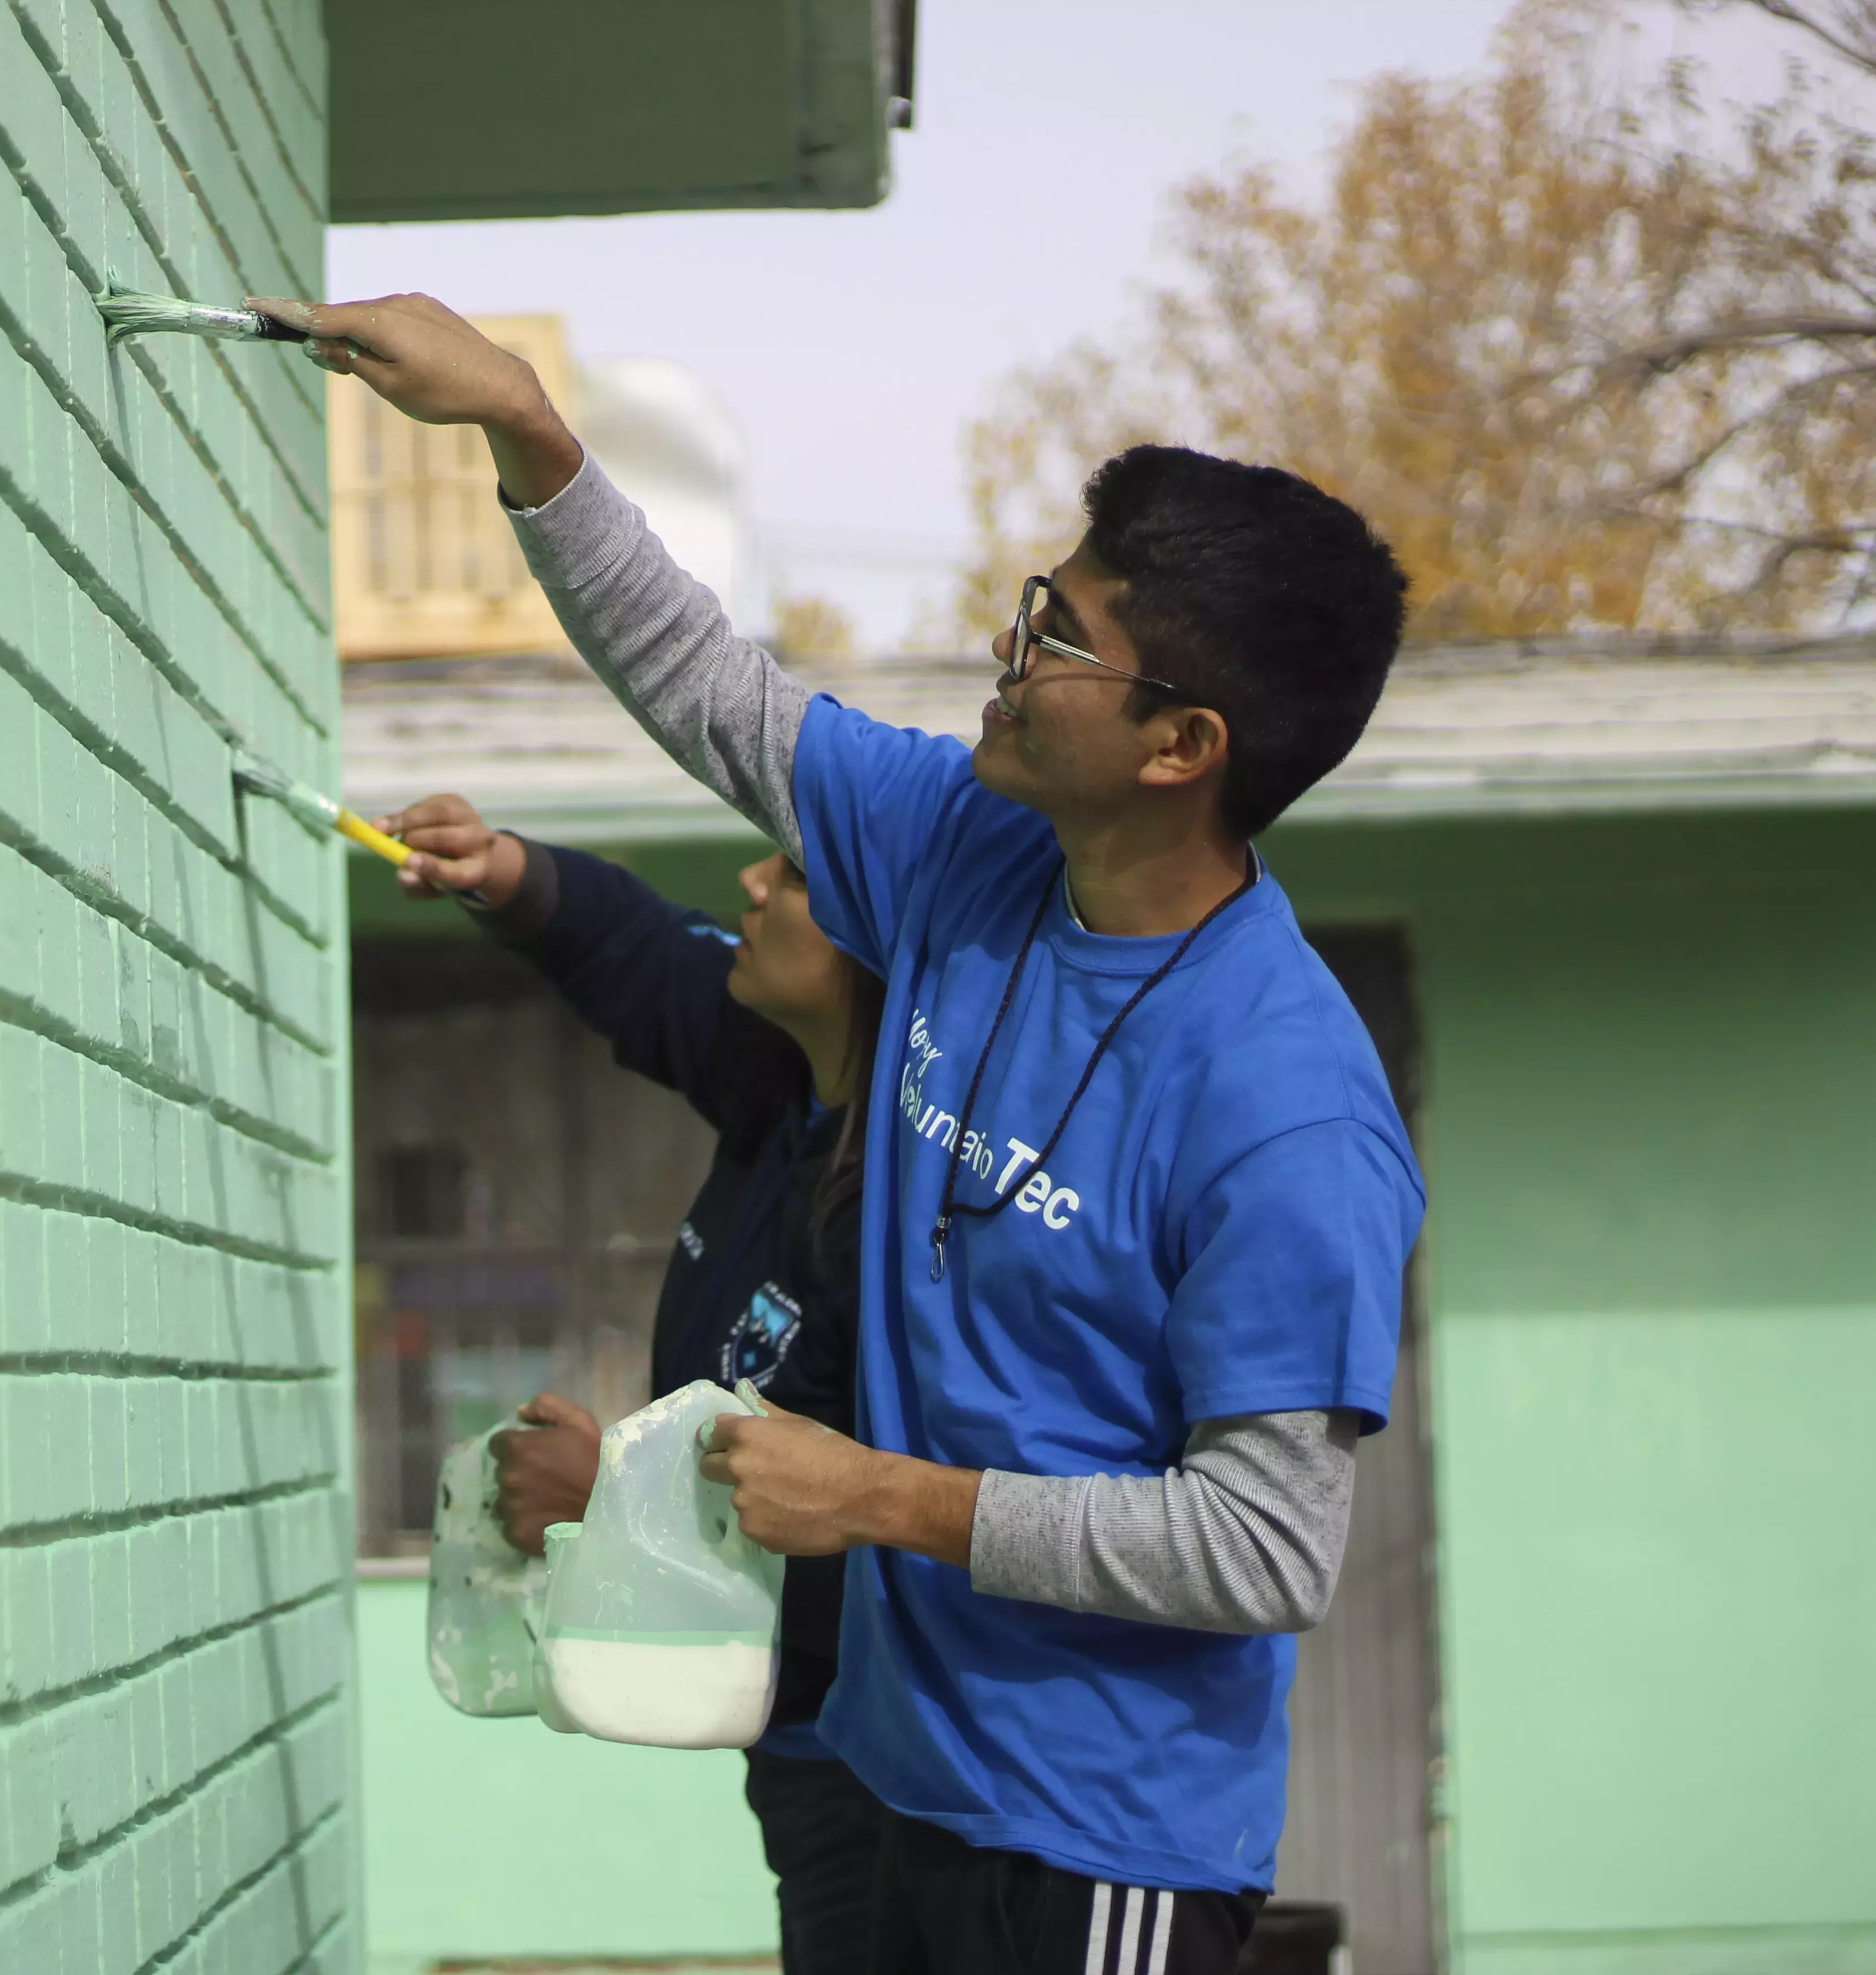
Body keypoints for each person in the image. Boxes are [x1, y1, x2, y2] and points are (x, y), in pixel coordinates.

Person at [265, 291, 1424, 1975]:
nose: (1014, 656)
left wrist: (885, 1498)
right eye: (1042, 604)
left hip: (1099, 1846)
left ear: (1184, 747)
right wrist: (528, 429)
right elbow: (711, 690)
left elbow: (1258, 1545)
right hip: (890, 1775)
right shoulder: (976, 852)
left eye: (1069, 643)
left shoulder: (1282, 1104)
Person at [380, 790, 886, 1975]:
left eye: (798, 881)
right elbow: (649, 957)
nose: (753, 887)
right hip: (809, 1752)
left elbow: (867, 1509)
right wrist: (511, 873)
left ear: (888, 948)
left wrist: (609, 1503)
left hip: (890, 1777)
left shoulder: (900, 1216)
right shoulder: (789, 1083)